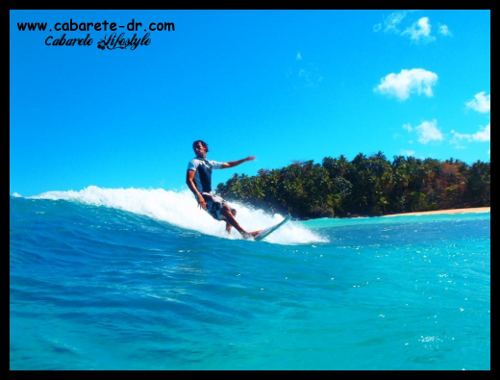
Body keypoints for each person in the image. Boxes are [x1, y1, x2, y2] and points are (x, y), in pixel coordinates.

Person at [186, 140, 260, 239]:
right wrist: (198, 196)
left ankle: (227, 234)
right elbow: (189, 180)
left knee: (232, 211)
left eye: (198, 147)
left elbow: (228, 164)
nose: (196, 149)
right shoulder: (194, 162)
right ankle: (245, 234)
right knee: (225, 209)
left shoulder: (210, 163)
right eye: (194, 148)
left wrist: (244, 160)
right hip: (202, 195)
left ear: (205, 148)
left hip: (210, 194)